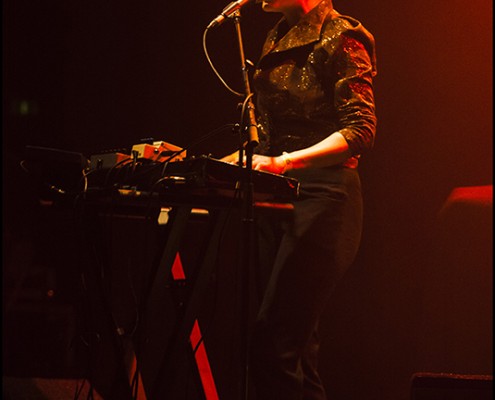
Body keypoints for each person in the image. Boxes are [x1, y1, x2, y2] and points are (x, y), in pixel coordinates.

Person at [222, 0, 377, 398]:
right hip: (280, 194)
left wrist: (285, 163)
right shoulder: (277, 38)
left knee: (274, 346)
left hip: (325, 198)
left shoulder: (343, 35)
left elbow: (359, 129)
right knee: (298, 351)